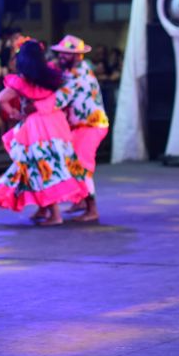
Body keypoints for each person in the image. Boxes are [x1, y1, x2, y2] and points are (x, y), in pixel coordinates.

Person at [0, 40, 89, 224]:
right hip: (55, 124)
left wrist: (14, 113)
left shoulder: (22, 80)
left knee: (40, 167)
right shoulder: (51, 76)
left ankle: (55, 215)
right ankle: (44, 209)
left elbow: (1, 98)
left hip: (36, 127)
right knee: (48, 165)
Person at [46, 35, 109, 223]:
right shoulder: (76, 70)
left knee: (81, 166)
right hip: (81, 125)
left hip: (90, 126)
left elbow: (58, 100)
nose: (62, 56)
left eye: (67, 54)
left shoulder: (77, 75)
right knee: (71, 163)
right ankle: (81, 201)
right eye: (61, 53)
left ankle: (92, 208)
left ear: (78, 55)